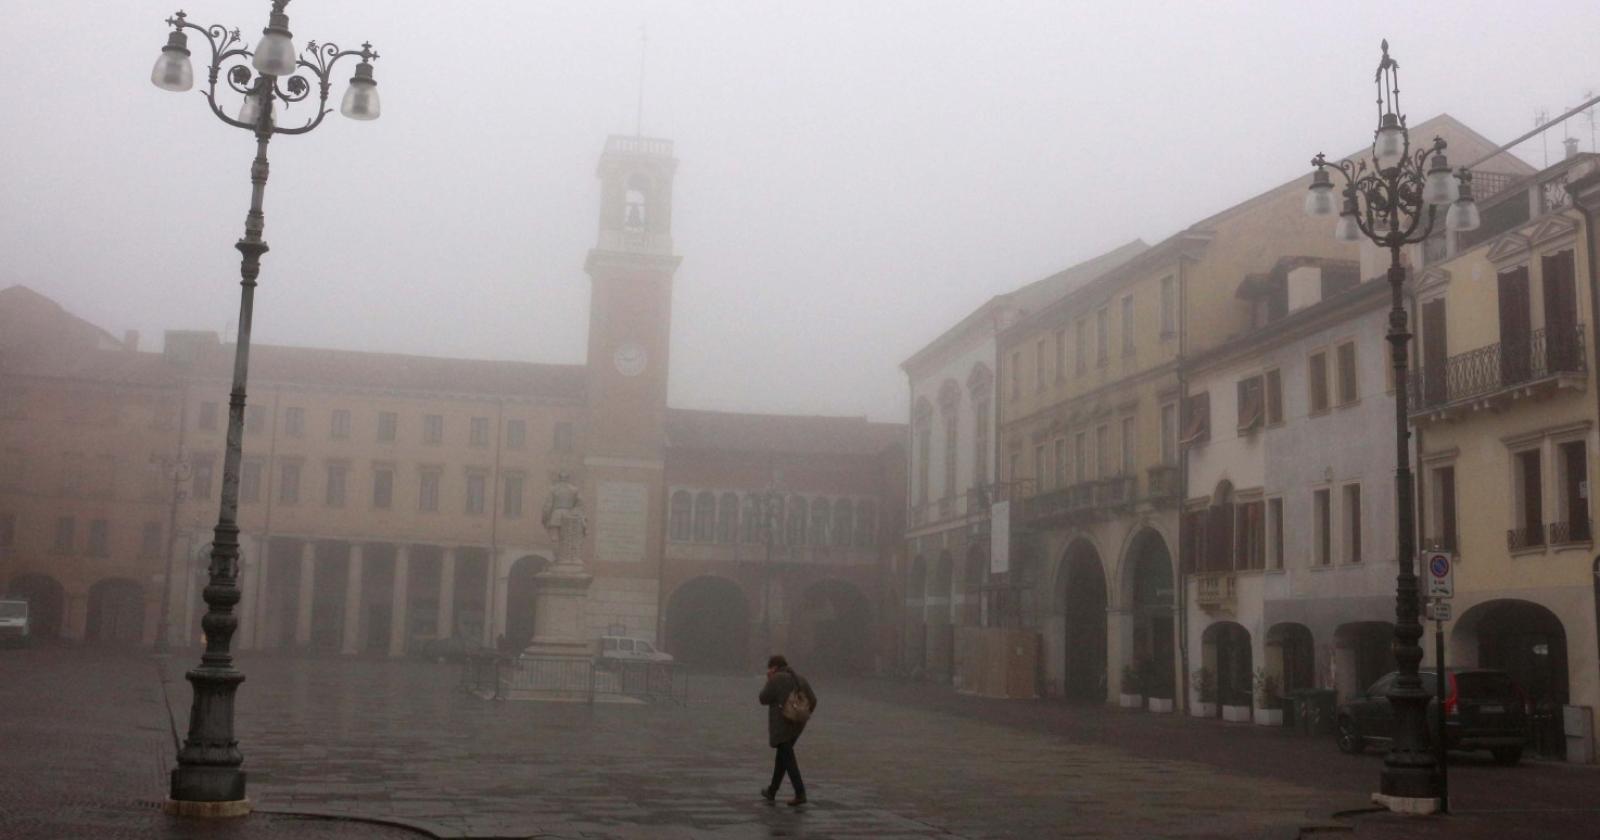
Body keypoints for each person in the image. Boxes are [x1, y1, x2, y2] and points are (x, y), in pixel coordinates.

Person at [758, 654, 817, 806]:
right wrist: (801, 714)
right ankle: (772, 790)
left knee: (788, 759)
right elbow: (813, 700)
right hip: (797, 726)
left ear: (775, 667)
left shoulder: (777, 679)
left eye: (770, 668)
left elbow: (763, 698)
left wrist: (769, 680)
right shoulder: (800, 679)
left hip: (781, 725)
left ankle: (800, 793)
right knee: (782, 758)